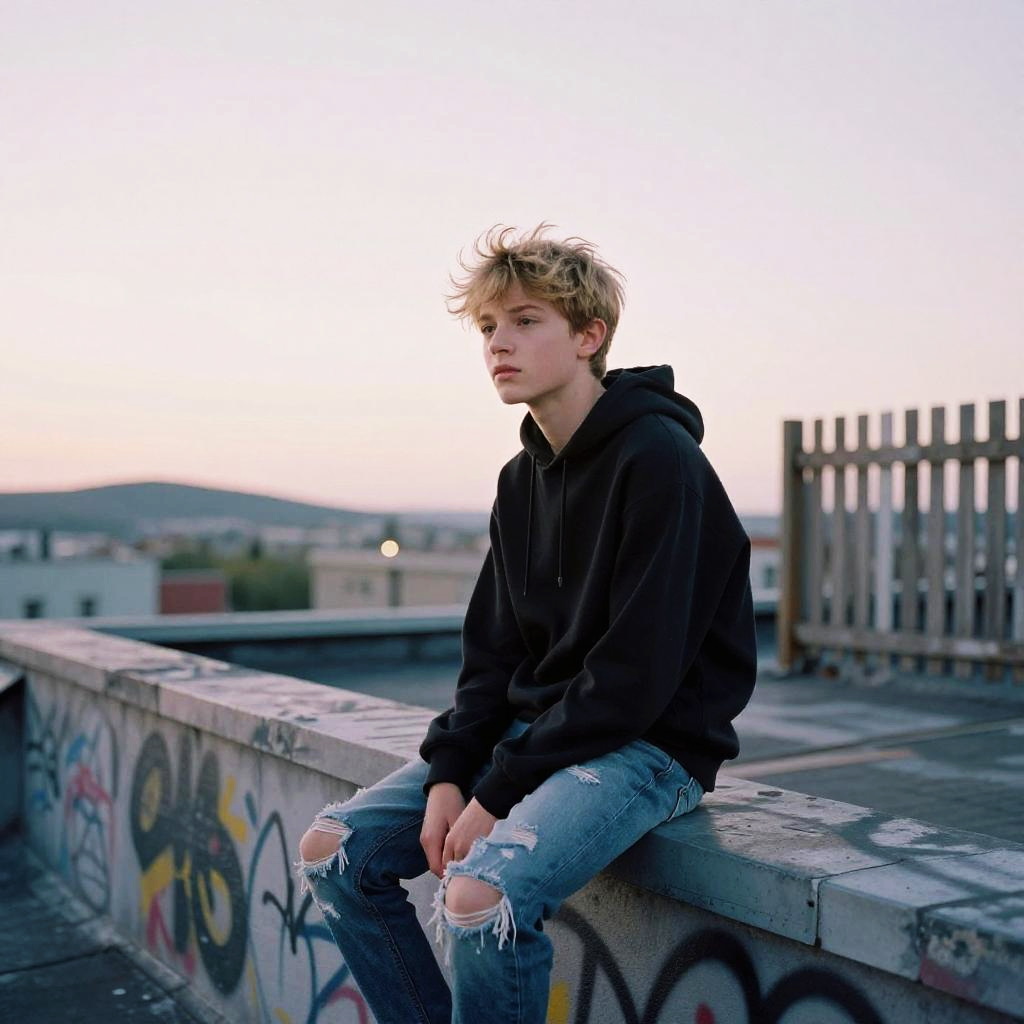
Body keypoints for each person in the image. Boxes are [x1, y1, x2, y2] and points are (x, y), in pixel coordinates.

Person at [296, 225, 757, 1024]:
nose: (498, 344)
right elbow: (492, 656)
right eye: (487, 327)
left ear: (589, 336)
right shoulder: (519, 481)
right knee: (334, 852)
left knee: (483, 895)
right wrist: (451, 772)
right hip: (537, 734)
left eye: (525, 320)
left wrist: (495, 795)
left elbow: (635, 676)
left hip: (653, 745)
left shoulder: (661, 460)